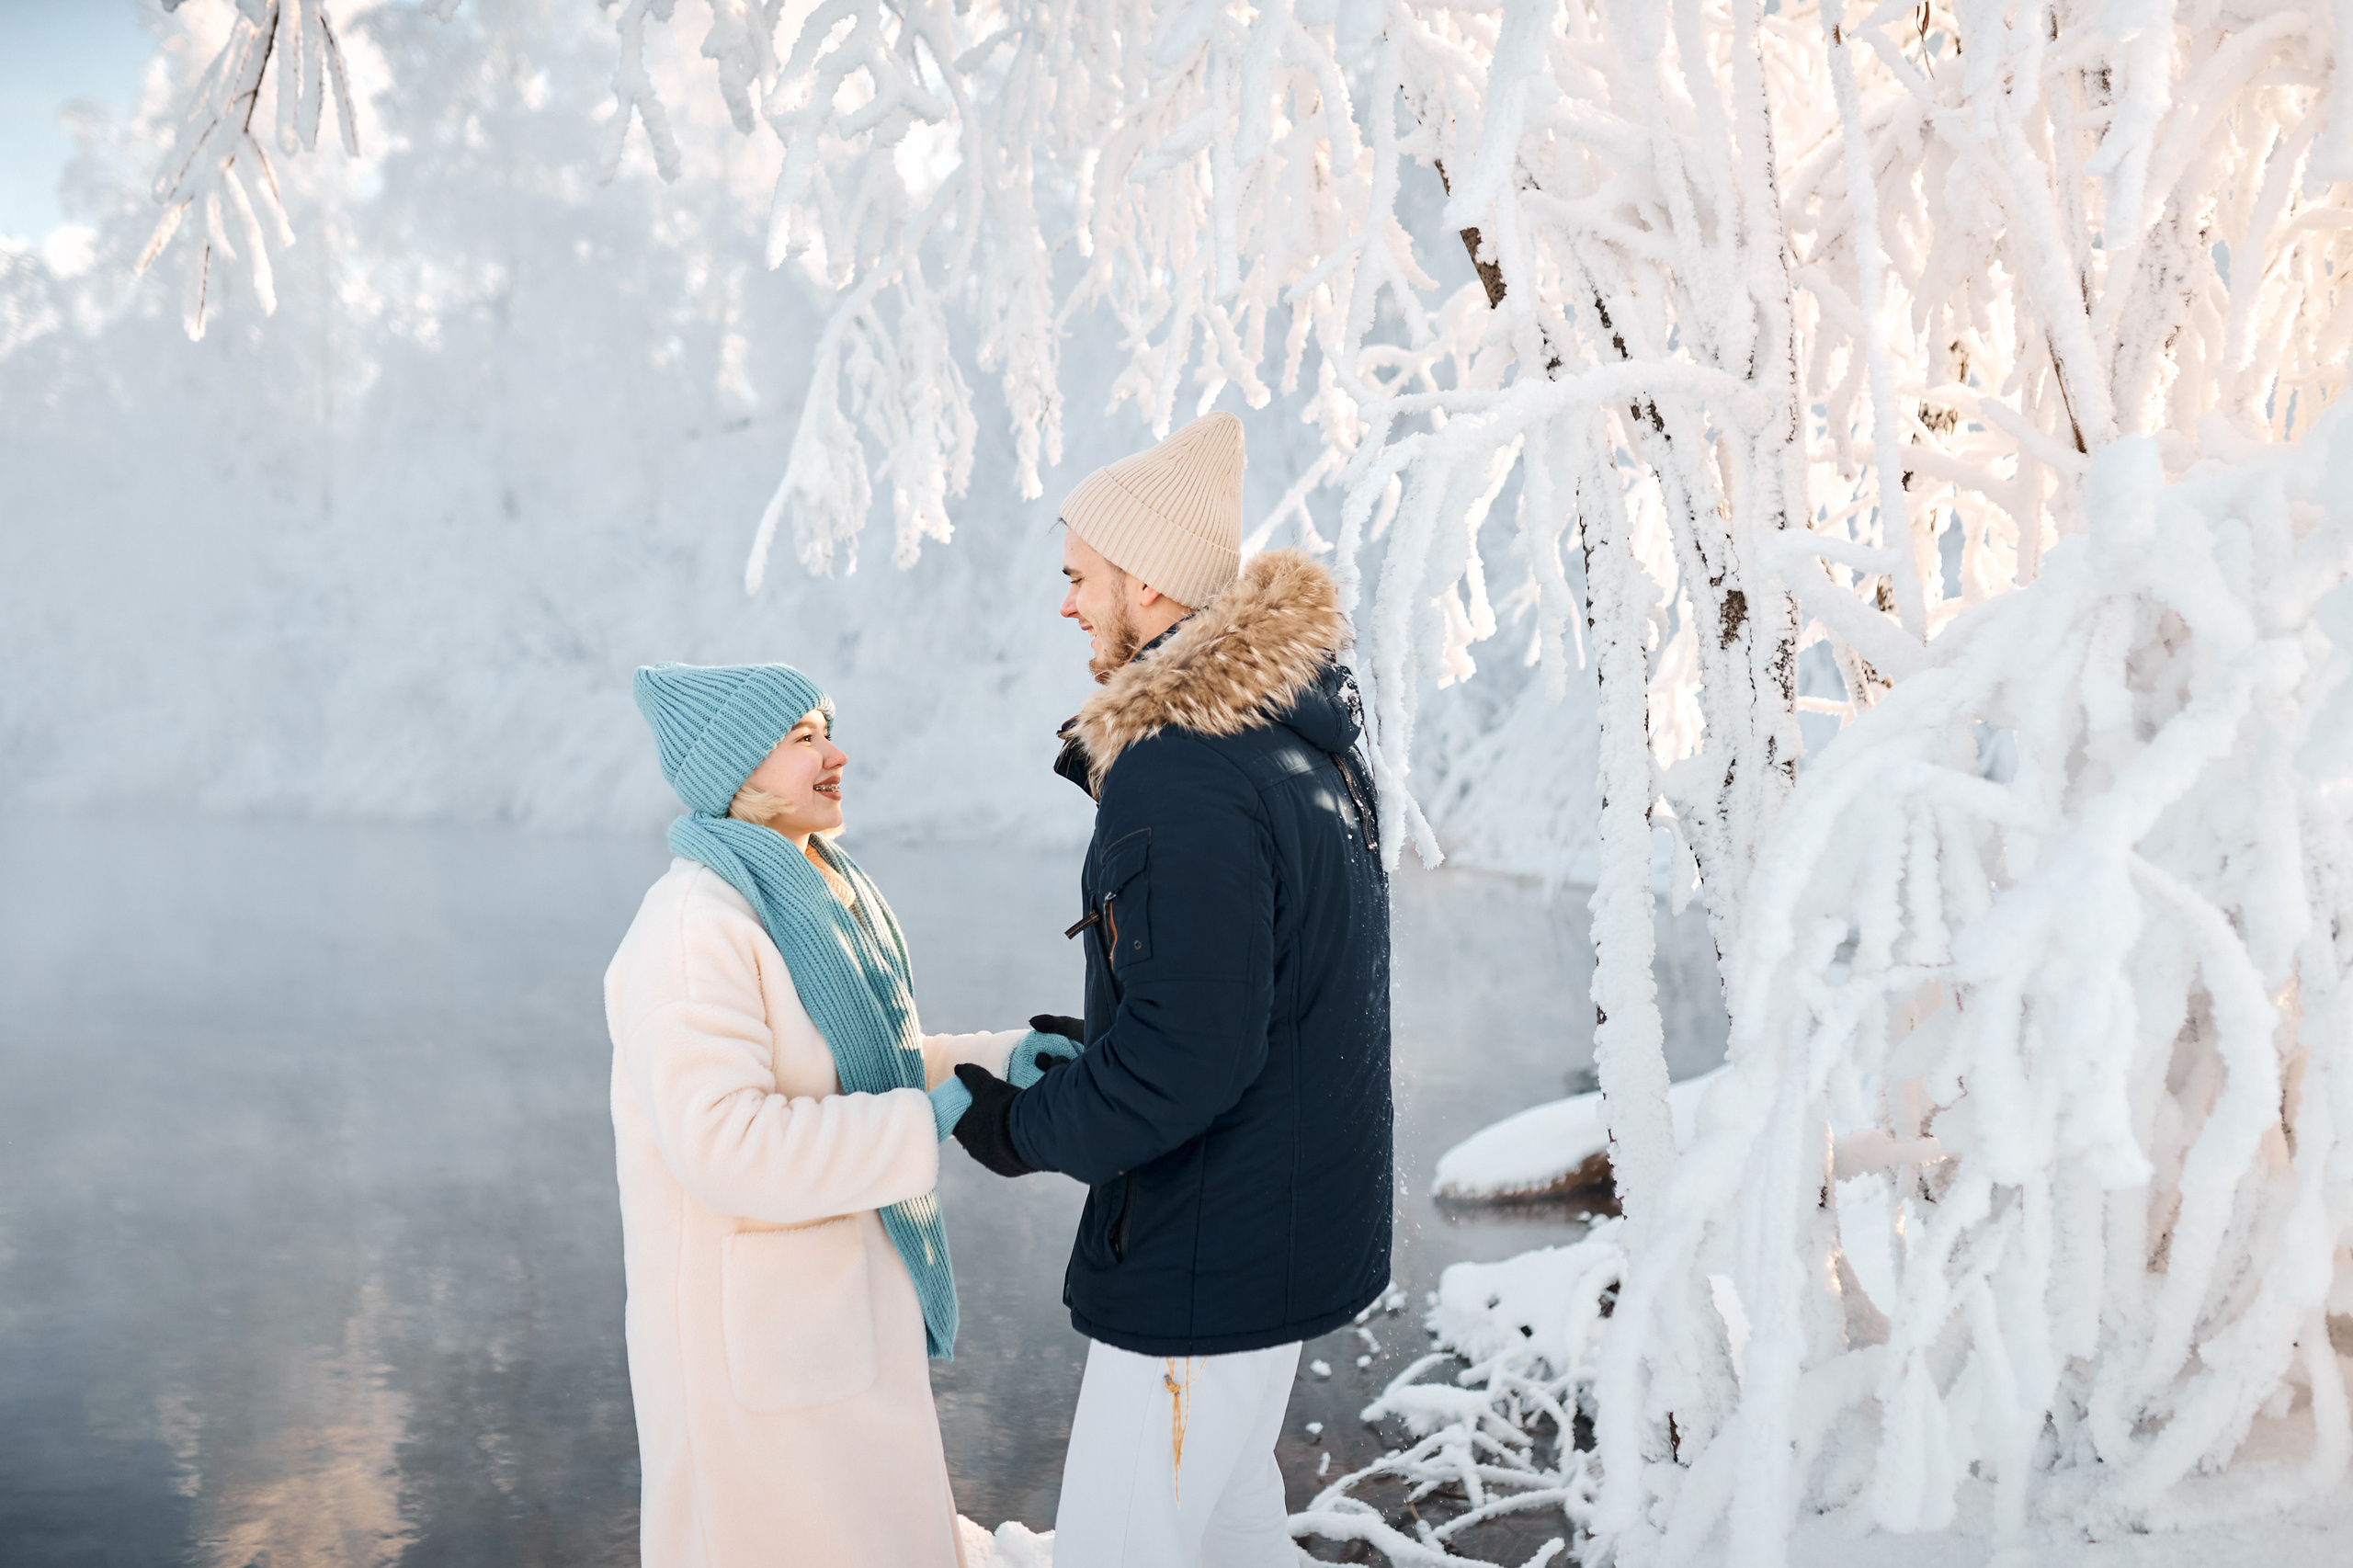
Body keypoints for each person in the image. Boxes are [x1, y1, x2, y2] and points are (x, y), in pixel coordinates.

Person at [949, 412, 1395, 1567]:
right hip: (1280, 1233)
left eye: (1076, 576)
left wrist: (1020, 1128)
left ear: (1143, 582)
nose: (1065, 605)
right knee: (1238, 1538)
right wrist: (1099, 1042)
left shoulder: (1181, 770)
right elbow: (1261, 993)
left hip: (1208, 1254)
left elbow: (1187, 1057)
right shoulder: (1289, 747)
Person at [604, 661, 1040, 1567]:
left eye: (825, 729)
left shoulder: (807, 894)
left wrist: (999, 1061)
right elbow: (726, 1145)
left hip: (827, 1320)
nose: (836, 753)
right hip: (756, 1354)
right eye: (803, 737)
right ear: (736, 767)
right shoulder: (694, 929)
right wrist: (931, 1119)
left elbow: (859, 1069)